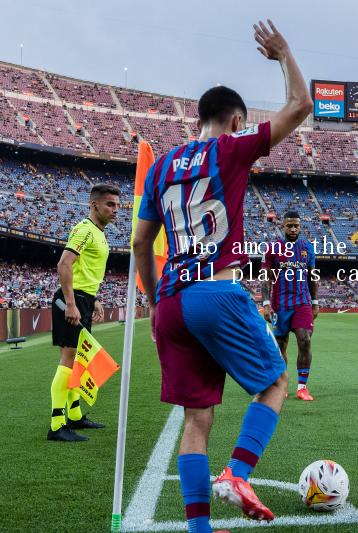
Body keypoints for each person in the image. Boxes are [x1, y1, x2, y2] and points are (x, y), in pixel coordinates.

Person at [133, 20, 312, 530]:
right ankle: (237, 472)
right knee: (276, 380)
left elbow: (142, 242)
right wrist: (283, 54)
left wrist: (151, 300)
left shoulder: (163, 165)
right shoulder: (230, 149)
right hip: (215, 289)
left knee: (197, 417)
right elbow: (300, 105)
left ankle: (199, 528)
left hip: (170, 302)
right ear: (235, 120)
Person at [48, 183, 119, 442]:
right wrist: (70, 302)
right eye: (110, 204)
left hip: (84, 299)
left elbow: (85, 271)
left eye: (117, 206)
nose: (115, 210)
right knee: (68, 360)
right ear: (94, 204)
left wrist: (94, 299)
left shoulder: (99, 233)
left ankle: (75, 415)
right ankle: (57, 424)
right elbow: (64, 264)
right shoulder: (84, 230)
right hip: (73, 300)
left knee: (80, 359)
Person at [261, 211, 318, 401]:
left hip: (302, 302)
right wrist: (266, 303)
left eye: (296, 225)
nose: (293, 229)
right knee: (280, 346)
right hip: (280, 304)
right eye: (289, 225)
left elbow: (312, 276)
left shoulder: (307, 247)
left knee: (305, 340)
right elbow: (266, 278)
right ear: (283, 226)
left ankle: (302, 388)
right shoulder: (273, 248)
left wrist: (315, 302)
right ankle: (282, 385)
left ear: (300, 226)